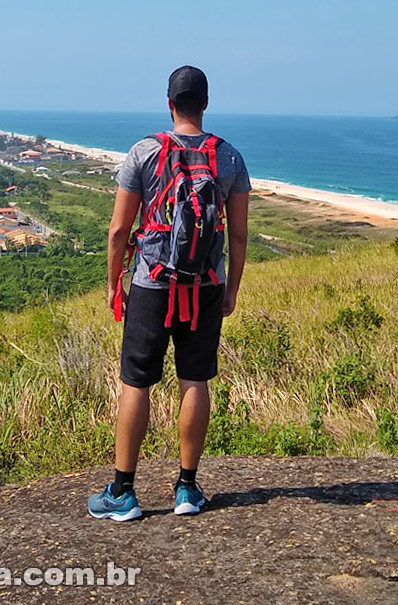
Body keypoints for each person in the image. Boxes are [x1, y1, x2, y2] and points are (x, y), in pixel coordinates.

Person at [87, 66, 251, 521]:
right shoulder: (229, 158)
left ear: (169, 103)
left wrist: (113, 283)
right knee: (194, 380)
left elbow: (120, 229)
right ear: (205, 103)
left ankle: (123, 493)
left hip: (151, 283)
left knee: (136, 383)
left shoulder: (144, 152)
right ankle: (187, 489)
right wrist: (231, 288)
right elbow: (238, 235)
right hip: (206, 287)